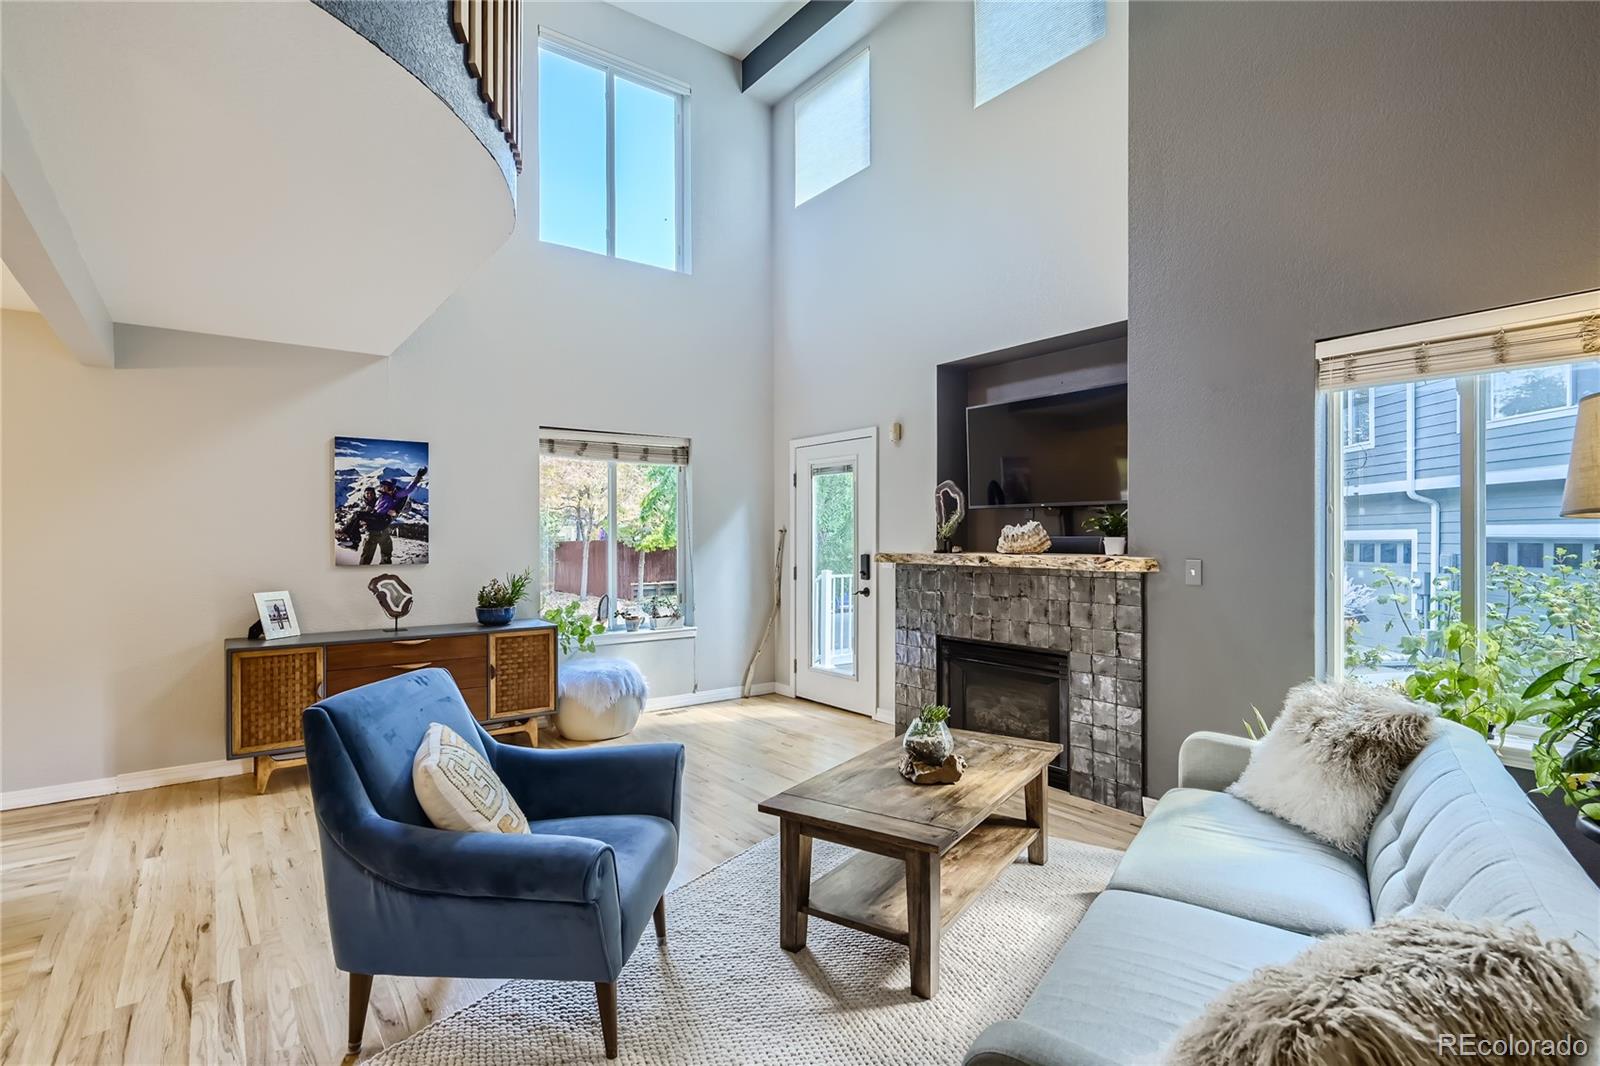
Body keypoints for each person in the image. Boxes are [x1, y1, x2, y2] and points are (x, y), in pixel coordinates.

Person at [359, 466, 427, 566]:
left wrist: (418, 477)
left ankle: (384, 574)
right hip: (372, 533)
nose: (369, 495)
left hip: (384, 532)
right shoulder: (375, 501)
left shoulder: (388, 497)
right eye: (367, 494)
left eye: (385, 487)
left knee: (386, 557)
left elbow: (408, 490)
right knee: (366, 559)